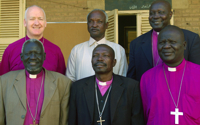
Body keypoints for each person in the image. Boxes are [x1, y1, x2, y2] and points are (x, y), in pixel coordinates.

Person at [0, 39, 71, 125]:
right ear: (22, 57)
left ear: (44, 56)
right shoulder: (4, 82)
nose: (33, 57)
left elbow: (64, 121)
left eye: (37, 53)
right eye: (28, 54)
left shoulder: (63, 83)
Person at [68, 44, 144, 125]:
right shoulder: (78, 87)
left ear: (114, 62)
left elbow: (137, 121)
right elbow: (72, 120)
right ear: (91, 61)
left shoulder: (131, 87)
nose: (99, 58)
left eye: (105, 55)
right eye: (95, 55)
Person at [140, 25, 200, 125]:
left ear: (184, 45)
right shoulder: (147, 78)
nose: (166, 46)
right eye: (162, 43)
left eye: (172, 42)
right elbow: (146, 115)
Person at [127, 0, 200, 81]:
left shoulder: (191, 38)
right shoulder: (136, 44)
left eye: (160, 12)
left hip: (181, 91)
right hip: (148, 92)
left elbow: (197, 71)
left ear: (170, 15)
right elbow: (132, 78)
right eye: (152, 13)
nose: (155, 16)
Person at [0, 5, 66, 76]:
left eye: (40, 19)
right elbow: (3, 81)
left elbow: (61, 82)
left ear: (45, 23)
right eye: (32, 19)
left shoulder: (56, 51)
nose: (37, 23)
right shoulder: (11, 49)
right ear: (25, 22)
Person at [66, 9, 127, 82]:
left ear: (106, 25)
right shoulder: (77, 50)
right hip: (82, 93)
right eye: (91, 21)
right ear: (87, 24)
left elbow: (123, 79)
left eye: (99, 21)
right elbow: (69, 80)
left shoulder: (118, 50)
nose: (94, 25)